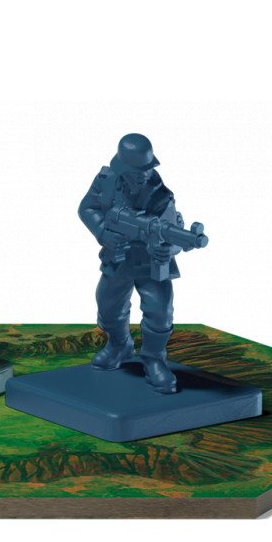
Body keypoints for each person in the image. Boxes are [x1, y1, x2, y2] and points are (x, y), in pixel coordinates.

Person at [78, 133, 182, 394]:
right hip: (119, 256)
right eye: (136, 171)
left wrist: (168, 250)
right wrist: (104, 233)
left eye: (147, 169)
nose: (143, 175)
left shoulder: (162, 196)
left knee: (159, 311)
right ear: (123, 168)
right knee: (108, 305)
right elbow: (87, 208)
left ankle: (155, 360)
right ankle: (119, 345)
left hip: (150, 262)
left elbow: (174, 234)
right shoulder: (106, 181)